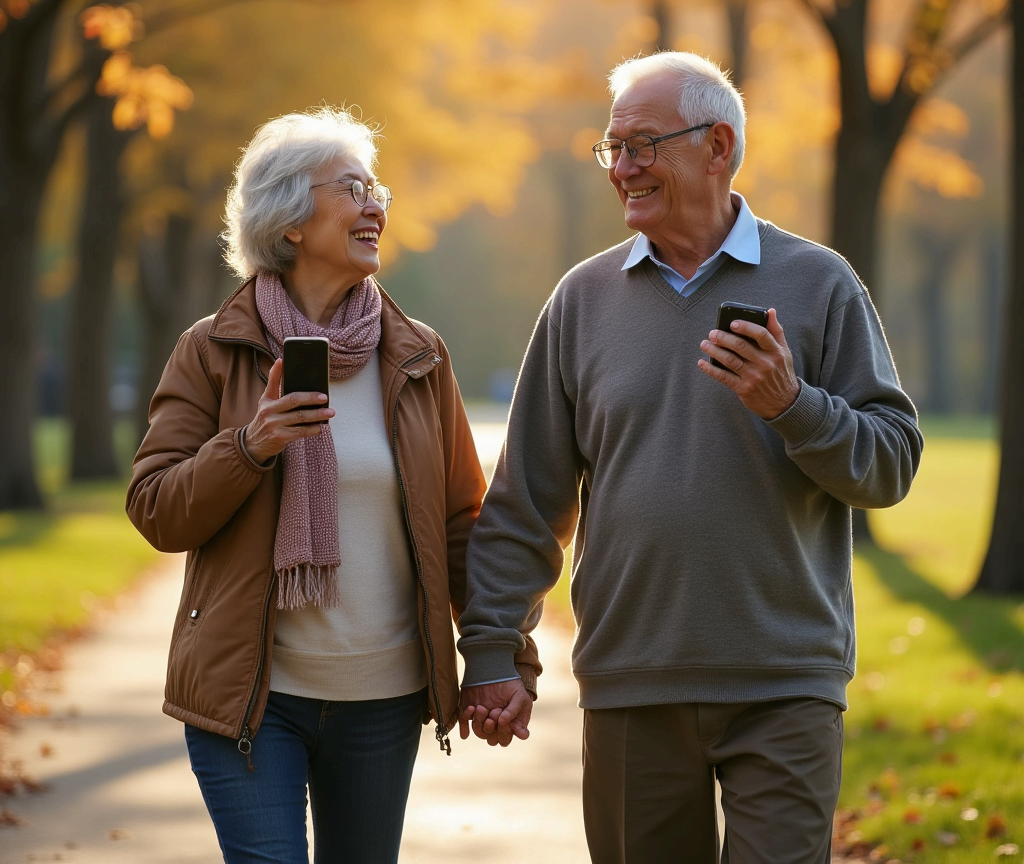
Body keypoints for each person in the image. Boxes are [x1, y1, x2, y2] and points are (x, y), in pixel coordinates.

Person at [457, 52, 923, 863]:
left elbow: (890, 466)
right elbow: (528, 497)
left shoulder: (819, 283)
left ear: (718, 147)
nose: (623, 169)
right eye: (612, 148)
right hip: (633, 681)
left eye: (644, 145)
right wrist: (497, 650)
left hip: (785, 682)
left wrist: (795, 406)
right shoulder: (581, 300)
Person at [126, 107, 540, 864]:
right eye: (352, 188)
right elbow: (155, 507)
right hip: (251, 701)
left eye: (376, 187)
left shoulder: (418, 356)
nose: (376, 204)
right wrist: (250, 446)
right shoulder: (214, 348)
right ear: (289, 221)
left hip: (381, 702)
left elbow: (461, 524)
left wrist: (503, 658)